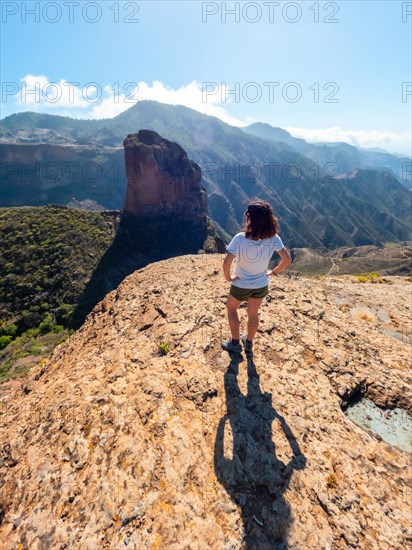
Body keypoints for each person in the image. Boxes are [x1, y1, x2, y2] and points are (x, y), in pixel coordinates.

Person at [221, 199, 292, 354]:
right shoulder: (274, 238)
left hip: (240, 285)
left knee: (231, 308)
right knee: (253, 314)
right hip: (260, 285)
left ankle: (234, 343)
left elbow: (227, 263)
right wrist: (273, 272)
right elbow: (287, 260)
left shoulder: (240, 238)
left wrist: (229, 277)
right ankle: (249, 342)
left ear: (249, 218)